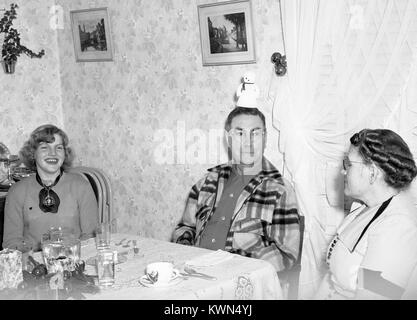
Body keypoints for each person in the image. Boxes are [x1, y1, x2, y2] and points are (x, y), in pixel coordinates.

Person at [172, 107, 302, 284]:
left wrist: (235, 267)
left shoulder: (280, 190)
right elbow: (185, 227)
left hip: (241, 285)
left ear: (264, 139)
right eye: (239, 134)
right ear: (229, 139)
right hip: (195, 277)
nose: (248, 143)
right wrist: (189, 253)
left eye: (255, 134)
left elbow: (287, 255)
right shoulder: (206, 182)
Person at [315, 129, 417, 299]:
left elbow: (374, 295)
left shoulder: (397, 227)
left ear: (373, 172)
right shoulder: (364, 208)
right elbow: (332, 278)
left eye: (349, 164)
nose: (343, 171)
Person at [2, 124, 99, 252]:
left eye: (58, 148)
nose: (53, 153)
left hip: (73, 261)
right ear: (32, 154)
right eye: (44, 147)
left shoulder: (82, 186)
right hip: (34, 265)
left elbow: (91, 237)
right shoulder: (17, 191)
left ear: (65, 153)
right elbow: (11, 242)